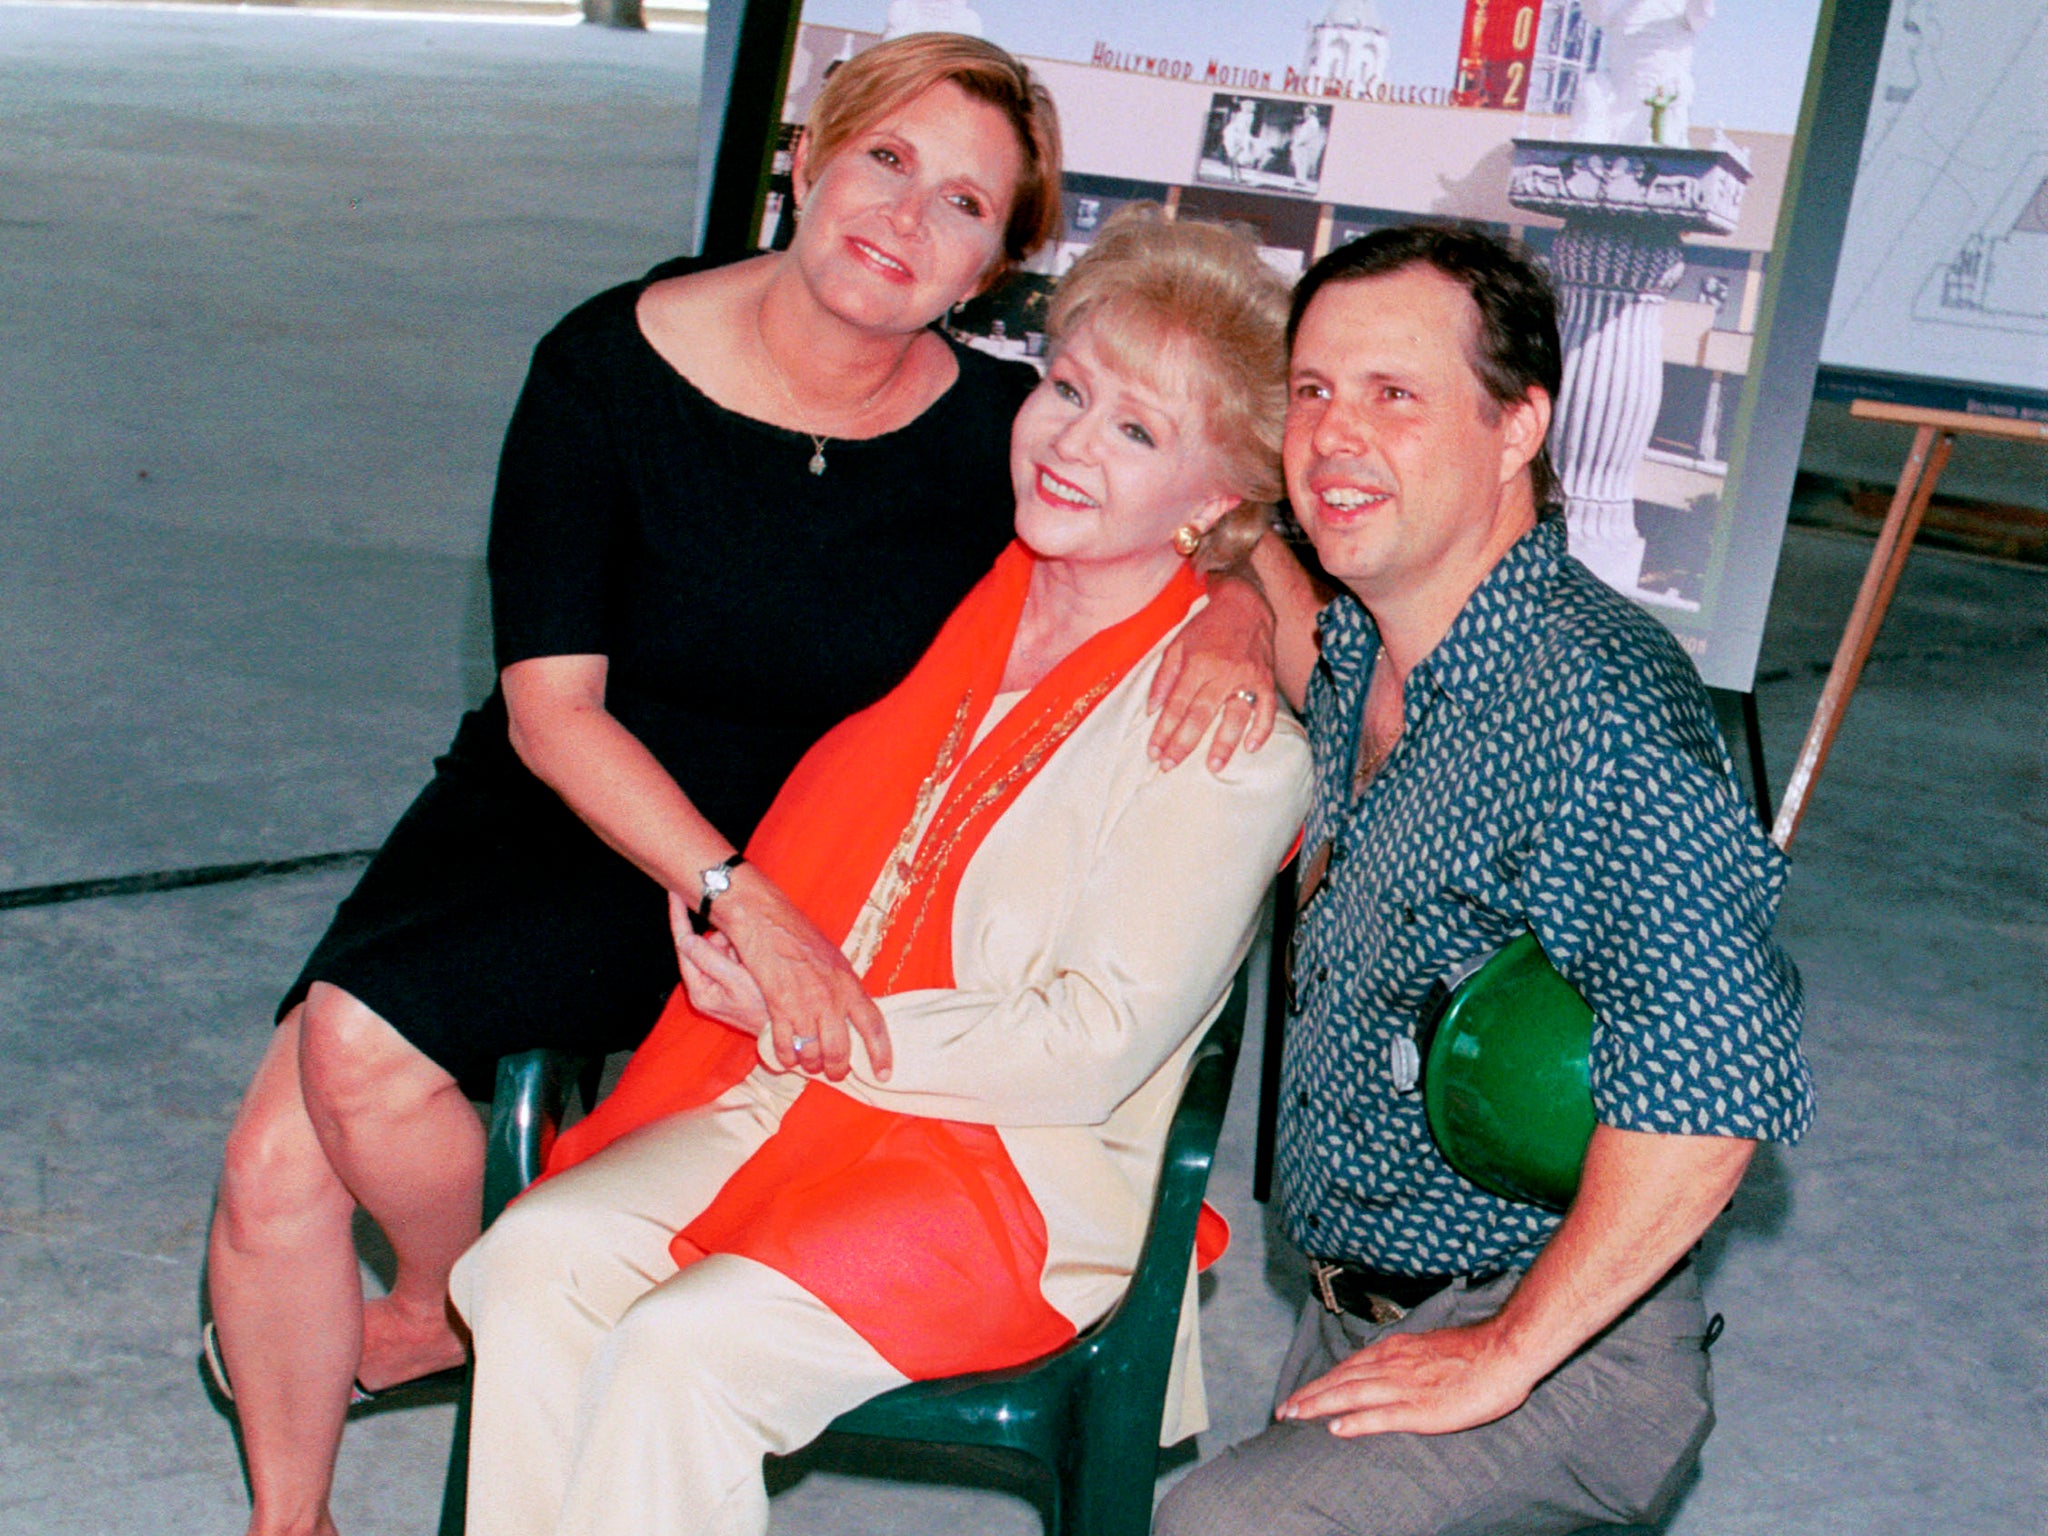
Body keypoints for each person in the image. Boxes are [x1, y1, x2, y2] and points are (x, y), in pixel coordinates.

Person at [201, 35, 1284, 1536]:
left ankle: (455, 1321)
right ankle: (312, 1493)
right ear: (805, 156)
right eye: (887, 160)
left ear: (991, 273)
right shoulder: (615, 363)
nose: (907, 218)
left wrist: (1236, 601)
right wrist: (743, 906)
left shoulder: (1005, 443)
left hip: (819, 897)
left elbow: (1240, 520)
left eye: (964, 205)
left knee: (624, 1316)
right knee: (305, 1125)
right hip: (593, 800)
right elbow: (551, 711)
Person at [448, 209, 1313, 1536]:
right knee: (528, 1265)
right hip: (796, 1091)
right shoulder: (956, 571)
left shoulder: (1223, 744)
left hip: (1006, 1172)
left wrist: (805, 1014)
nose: (1072, 444)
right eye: (1069, 391)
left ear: (1217, 503)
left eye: (1136, 432)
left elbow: (1087, 1046)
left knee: (684, 1352)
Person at [1155, 224, 1814, 1536]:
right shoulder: (1377, 648)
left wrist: (1509, 1350)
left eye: (1395, 395)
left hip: (1559, 1337)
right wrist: (1234, 576)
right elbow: (1302, 630)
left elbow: (1718, 1089)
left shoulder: (1599, 712)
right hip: (1358, 1317)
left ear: (1519, 428)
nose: (1335, 436)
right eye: (1314, 393)